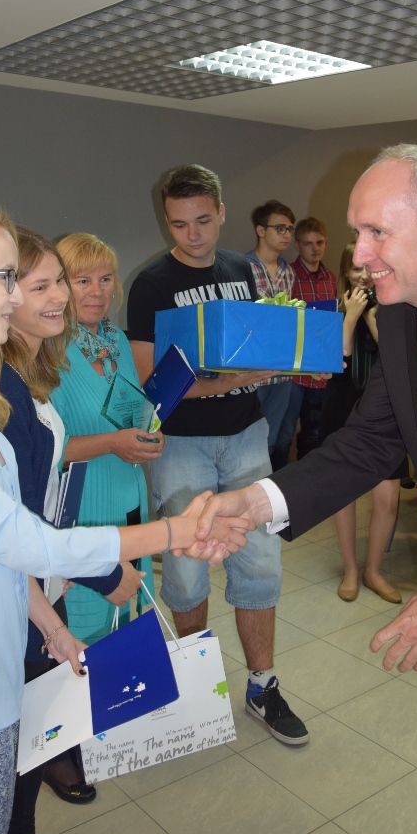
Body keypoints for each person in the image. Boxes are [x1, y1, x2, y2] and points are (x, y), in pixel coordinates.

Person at [193, 143, 417, 834]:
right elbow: (371, 441)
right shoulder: (402, 315)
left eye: (376, 233)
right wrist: (259, 502)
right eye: (356, 232)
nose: (358, 256)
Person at [0, 203, 247, 834]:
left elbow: (1, 550)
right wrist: (174, 532)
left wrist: (50, 626)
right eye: (6, 279)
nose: (18, 296)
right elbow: (23, 539)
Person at [128, 164, 310, 746]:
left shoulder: (240, 271)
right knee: (186, 568)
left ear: (223, 213)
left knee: (259, 562)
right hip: (181, 444)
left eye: (203, 220)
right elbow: (150, 381)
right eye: (179, 224)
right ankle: (196, 689)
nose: (193, 235)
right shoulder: (150, 284)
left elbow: (255, 344)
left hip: (246, 435)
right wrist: (236, 379)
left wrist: (286, 355)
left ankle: (262, 686)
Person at [0, 226, 144, 834]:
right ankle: (56, 755)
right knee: (59, 651)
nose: (81, 292)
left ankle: (89, 731)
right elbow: (34, 474)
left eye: (99, 278)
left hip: (107, 513)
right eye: (63, 281)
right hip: (63, 528)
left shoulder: (100, 344)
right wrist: (112, 442)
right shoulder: (26, 366)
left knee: (101, 632)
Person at [50, 232, 157, 647]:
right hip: (83, 512)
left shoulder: (117, 341)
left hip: (130, 500)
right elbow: (45, 452)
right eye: (83, 281)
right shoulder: (46, 352)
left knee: (126, 629)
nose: (97, 291)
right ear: (61, 286)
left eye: (106, 279)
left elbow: (131, 412)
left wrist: (149, 435)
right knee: (86, 640)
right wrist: (113, 443)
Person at [319, 244, 405, 604]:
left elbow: (399, 361)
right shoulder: (334, 313)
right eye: (357, 270)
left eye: (370, 269)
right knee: (345, 495)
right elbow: (334, 366)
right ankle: (351, 570)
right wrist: (351, 318)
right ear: (346, 273)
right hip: (344, 411)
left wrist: (372, 318)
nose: (364, 276)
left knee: (387, 500)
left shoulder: (396, 309)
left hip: (387, 415)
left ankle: (373, 570)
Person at [273, 218, 336, 469]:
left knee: (315, 432)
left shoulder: (330, 278)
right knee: (284, 433)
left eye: (319, 242)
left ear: (326, 243)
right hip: (294, 371)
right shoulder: (288, 276)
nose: (315, 248)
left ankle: (310, 481)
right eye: (308, 243)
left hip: (319, 369)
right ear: (297, 245)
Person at [244, 200, 296, 459]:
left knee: (272, 439)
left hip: (282, 370)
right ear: (261, 230)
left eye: (290, 229)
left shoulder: (289, 272)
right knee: (248, 438)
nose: (286, 234)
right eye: (280, 228)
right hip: (252, 371)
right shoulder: (242, 268)